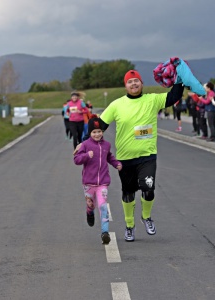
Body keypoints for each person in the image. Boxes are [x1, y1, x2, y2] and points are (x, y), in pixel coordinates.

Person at [76, 69, 185, 242]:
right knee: (128, 193)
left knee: (148, 188)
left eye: (136, 81)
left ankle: (146, 217)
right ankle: (129, 225)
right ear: (125, 86)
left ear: (141, 83)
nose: (133, 84)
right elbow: (98, 126)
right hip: (125, 159)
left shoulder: (152, 100)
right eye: (130, 82)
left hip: (147, 155)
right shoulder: (116, 105)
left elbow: (173, 97)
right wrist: (83, 144)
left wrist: (181, 80)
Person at [73, 117, 122, 245]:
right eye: (94, 132)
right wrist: (85, 156)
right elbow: (76, 160)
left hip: (103, 183)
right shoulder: (85, 145)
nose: (97, 134)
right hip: (88, 183)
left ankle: (104, 233)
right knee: (91, 205)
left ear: (102, 132)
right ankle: (89, 212)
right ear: (89, 133)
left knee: (103, 206)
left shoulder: (106, 145)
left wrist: (116, 164)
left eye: (99, 131)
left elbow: (109, 157)